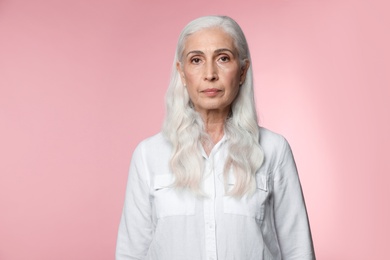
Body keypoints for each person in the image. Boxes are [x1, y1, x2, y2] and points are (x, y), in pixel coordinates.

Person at [116, 15, 315, 260]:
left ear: (242, 71)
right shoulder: (148, 155)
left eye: (223, 58)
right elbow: (131, 252)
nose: (210, 74)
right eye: (196, 60)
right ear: (181, 71)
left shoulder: (274, 150)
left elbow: (298, 250)